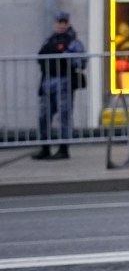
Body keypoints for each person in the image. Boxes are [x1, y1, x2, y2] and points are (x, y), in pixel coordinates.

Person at [33, 11, 85, 161]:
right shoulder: (49, 40)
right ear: (54, 24)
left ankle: (63, 149)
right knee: (44, 116)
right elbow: (40, 58)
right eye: (58, 22)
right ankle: (45, 148)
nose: (61, 25)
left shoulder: (73, 42)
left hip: (64, 83)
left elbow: (81, 62)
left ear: (68, 23)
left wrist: (67, 57)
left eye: (64, 22)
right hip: (47, 84)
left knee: (64, 117)